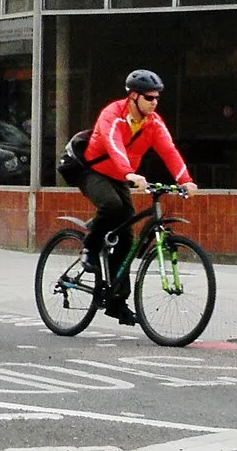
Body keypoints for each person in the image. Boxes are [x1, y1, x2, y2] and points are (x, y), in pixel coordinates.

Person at [77, 69, 198, 326]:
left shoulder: (153, 123)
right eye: (149, 98)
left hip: (122, 176)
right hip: (95, 172)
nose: (154, 102)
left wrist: (185, 180)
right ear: (133, 97)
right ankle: (89, 246)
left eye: (157, 98)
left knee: (126, 233)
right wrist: (130, 173)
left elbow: (169, 151)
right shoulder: (113, 115)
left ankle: (117, 302)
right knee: (111, 205)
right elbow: (114, 145)